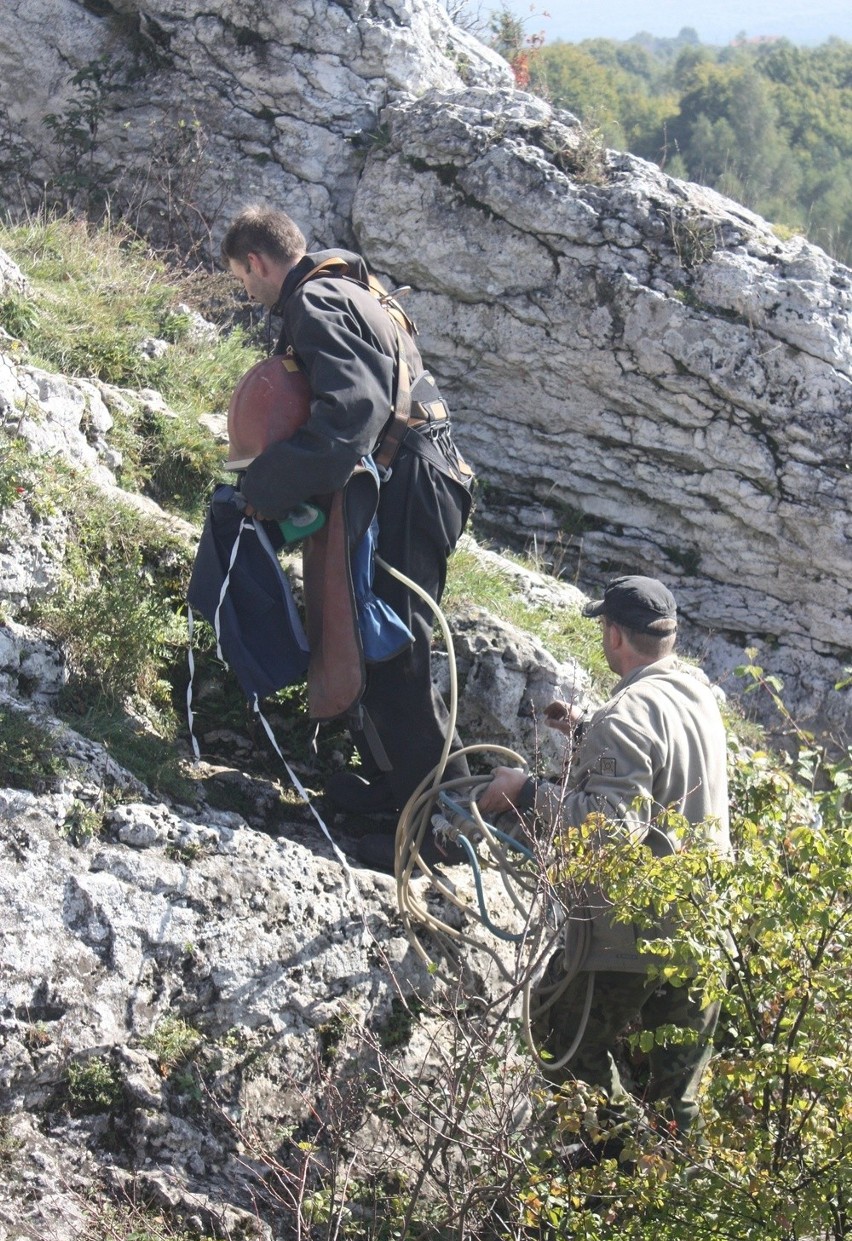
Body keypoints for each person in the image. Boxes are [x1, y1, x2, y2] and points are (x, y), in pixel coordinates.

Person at [221, 206, 473, 873]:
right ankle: (396, 797)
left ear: (257, 263)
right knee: (379, 639)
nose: (248, 295)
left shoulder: (316, 302)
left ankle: (425, 833)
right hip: (419, 475)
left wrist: (263, 483)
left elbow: (350, 416)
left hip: (412, 482)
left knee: (393, 647)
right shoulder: (345, 288)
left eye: (243, 281)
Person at [479, 575, 730, 1140]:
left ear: (614, 636)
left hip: (632, 936)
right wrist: (588, 734)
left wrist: (522, 792)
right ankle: (671, 1205)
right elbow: (665, 762)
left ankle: (619, 1157)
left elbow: (607, 833)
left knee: (556, 1037)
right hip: (701, 929)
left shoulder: (628, 714)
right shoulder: (698, 693)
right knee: (679, 1097)